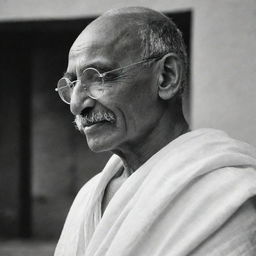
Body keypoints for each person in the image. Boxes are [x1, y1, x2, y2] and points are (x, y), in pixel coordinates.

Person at [54, 6, 256, 256]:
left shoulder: (226, 196)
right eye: (72, 83)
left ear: (167, 77)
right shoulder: (89, 195)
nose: (76, 104)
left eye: (98, 77)